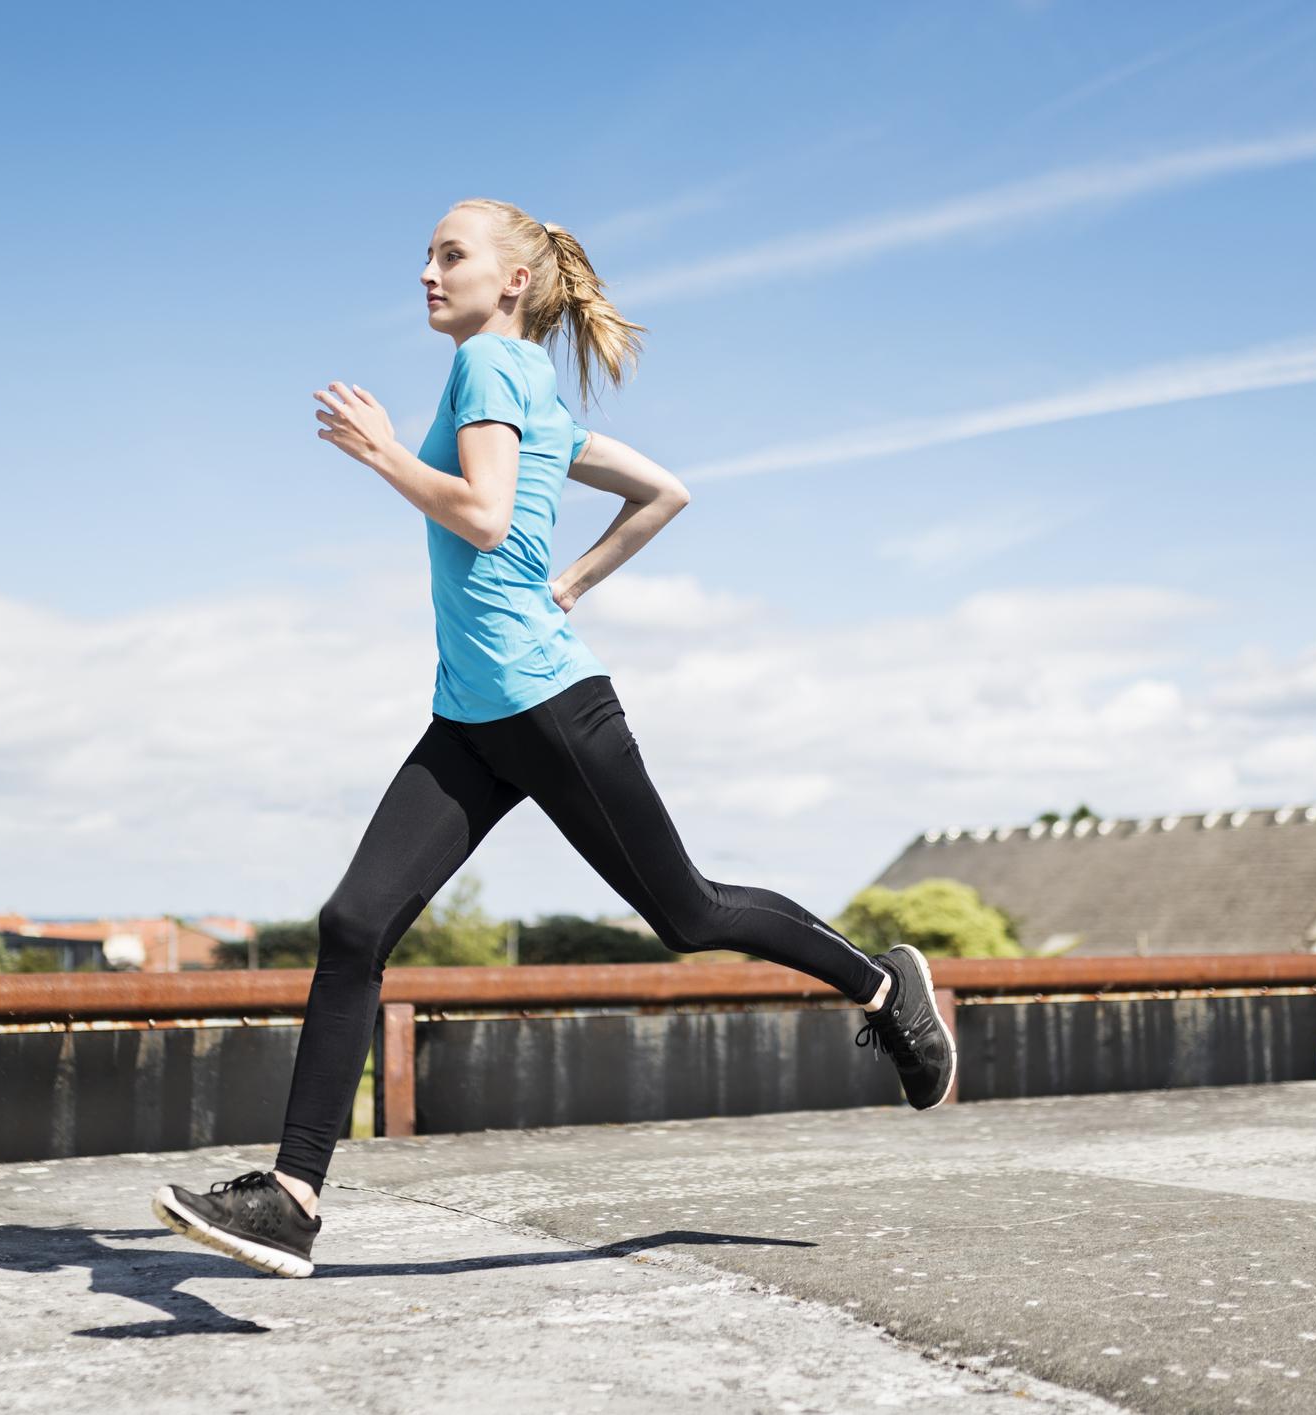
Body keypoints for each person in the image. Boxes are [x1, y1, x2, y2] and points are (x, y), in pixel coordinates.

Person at [151, 198, 956, 1279]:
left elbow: (484, 517)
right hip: (473, 716)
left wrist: (385, 453)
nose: (428, 273)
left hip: (545, 703)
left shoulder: (493, 368)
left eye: (450, 255)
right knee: (353, 925)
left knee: (687, 911)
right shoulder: (521, 381)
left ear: (513, 281)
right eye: (426, 257)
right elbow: (662, 490)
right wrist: (568, 578)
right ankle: (292, 1198)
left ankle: (880, 985)